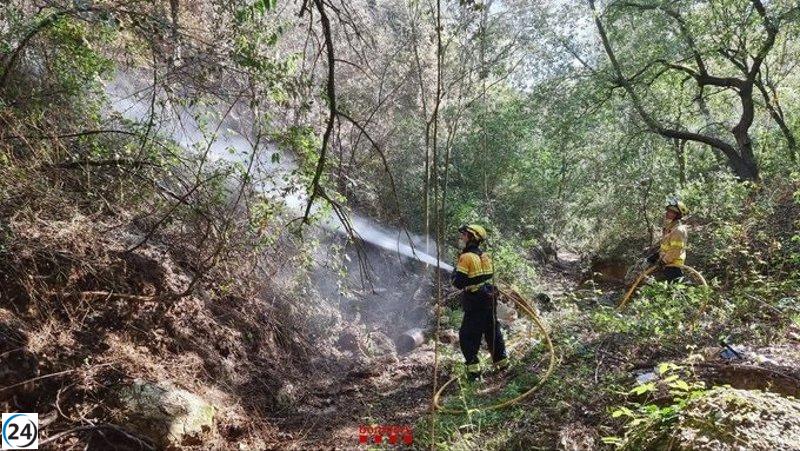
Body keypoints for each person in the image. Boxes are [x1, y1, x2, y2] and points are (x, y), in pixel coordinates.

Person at [451, 224, 508, 381]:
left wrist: (454, 273)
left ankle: (474, 372)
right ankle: (502, 362)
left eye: (464, 235)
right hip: (489, 297)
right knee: (492, 330)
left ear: (471, 237)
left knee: (468, 335)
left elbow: (459, 283)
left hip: (475, 300)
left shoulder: (466, 257)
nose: (461, 237)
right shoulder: (485, 256)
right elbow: (485, 276)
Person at [647, 198, 689, 282]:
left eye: (671, 212)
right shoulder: (670, 227)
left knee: (677, 288)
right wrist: (657, 255)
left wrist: (663, 261)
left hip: (674, 265)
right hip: (668, 263)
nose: (667, 213)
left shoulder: (678, 230)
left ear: (677, 215)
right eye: (668, 210)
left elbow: (676, 250)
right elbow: (667, 246)